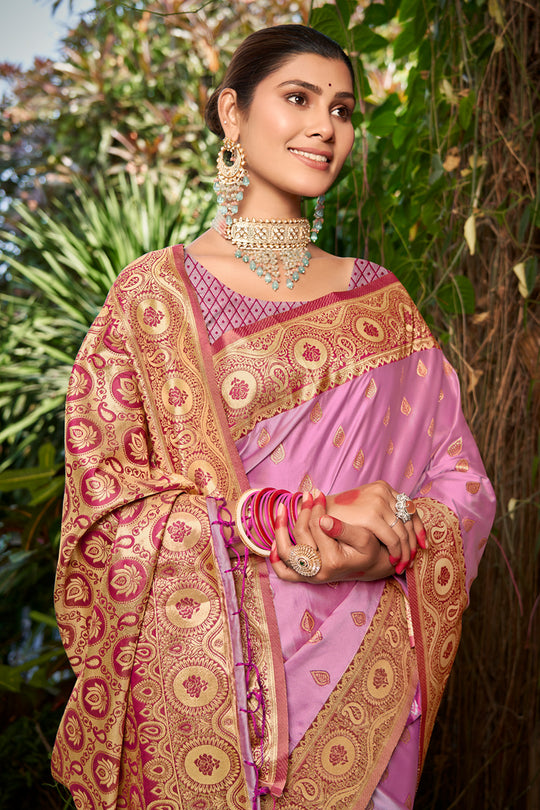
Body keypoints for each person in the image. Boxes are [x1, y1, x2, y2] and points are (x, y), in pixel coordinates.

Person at [52, 24, 495, 810]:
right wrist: (290, 518)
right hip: (203, 688)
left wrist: (390, 540)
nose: (326, 126)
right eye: (298, 99)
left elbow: (463, 483)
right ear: (232, 113)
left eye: (344, 109)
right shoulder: (155, 297)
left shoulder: (381, 302)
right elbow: (106, 511)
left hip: (361, 677)